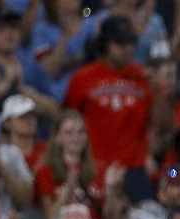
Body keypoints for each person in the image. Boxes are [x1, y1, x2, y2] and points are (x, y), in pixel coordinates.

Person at [64, 16, 152, 194]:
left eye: (130, 42)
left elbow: (152, 123)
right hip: (95, 166)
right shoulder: (82, 78)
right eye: (120, 43)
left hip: (134, 168)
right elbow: (68, 119)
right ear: (105, 44)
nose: (127, 49)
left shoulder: (143, 77)